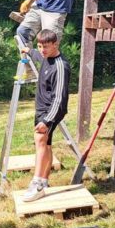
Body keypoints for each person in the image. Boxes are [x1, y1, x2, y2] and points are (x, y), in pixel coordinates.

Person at [21, 29, 71, 202]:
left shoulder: (60, 66)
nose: (42, 50)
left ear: (56, 44)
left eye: (46, 47)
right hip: (42, 109)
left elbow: (59, 98)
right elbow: (38, 56)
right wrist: (30, 51)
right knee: (46, 144)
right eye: (40, 46)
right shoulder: (46, 57)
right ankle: (44, 181)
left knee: (40, 140)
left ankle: (38, 184)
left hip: (51, 110)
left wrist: (47, 120)